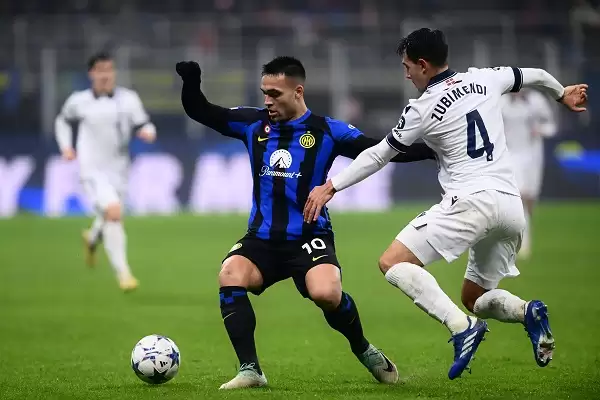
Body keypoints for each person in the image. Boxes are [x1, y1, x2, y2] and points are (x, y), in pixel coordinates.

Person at [304, 28, 587, 380]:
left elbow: (378, 155)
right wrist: (562, 94)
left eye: (407, 67)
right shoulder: (485, 78)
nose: (406, 74)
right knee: (475, 297)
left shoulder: (422, 107)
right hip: (510, 207)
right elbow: (538, 75)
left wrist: (331, 186)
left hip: (470, 203)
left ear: (423, 65)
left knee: (392, 262)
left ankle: (461, 327)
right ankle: (526, 311)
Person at [176, 56, 436, 389]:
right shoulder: (252, 124)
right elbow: (202, 111)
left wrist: (433, 149)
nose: (267, 101)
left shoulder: (327, 131)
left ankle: (364, 349)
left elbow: (380, 150)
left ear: (298, 92)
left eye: (275, 94)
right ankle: (250, 370)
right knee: (229, 274)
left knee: (326, 293)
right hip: (262, 237)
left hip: (309, 236)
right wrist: (191, 81)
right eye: (264, 93)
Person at [54, 52, 157, 292]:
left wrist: (148, 132)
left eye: (109, 70)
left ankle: (91, 238)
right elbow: (62, 121)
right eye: (100, 70)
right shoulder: (79, 101)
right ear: (91, 73)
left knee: (111, 214)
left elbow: (143, 123)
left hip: (119, 169)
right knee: (114, 212)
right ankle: (124, 274)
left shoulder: (128, 99)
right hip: (92, 169)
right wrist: (66, 147)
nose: (106, 75)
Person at [501, 90, 557, 259]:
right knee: (519, 196)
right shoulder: (501, 102)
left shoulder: (536, 101)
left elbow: (551, 126)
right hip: (511, 154)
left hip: (533, 155)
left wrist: (540, 130)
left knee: (530, 198)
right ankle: (521, 243)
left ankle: (522, 233)